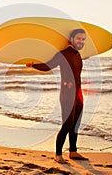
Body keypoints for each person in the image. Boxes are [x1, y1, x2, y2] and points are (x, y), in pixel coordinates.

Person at [26, 29, 88, 163]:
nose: (81, 41)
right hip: (67, 93)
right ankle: (58, 155)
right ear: (71, 39)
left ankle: (73, 151)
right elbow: (48, 66)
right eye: (78, 38)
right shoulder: (63, 54)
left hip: (78, 93)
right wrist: (33, 65)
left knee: (76, 124)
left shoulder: (77, 55)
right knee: (67, 124)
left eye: (83, 39)